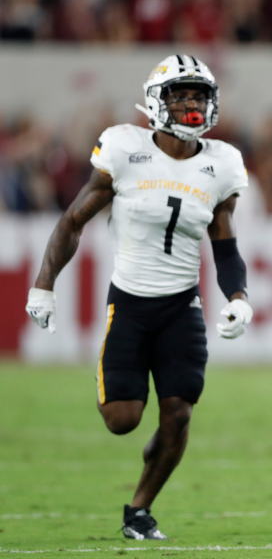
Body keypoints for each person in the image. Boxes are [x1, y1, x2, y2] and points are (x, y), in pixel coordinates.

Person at [24, 55, 252, 541]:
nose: (191, 104)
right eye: (181, 94)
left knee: (179, 411)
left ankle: (141, 510)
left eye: (199, 95)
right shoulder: (124, 148)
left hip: (180, 305)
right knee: (122, 420)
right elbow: (72, 221)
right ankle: (154, 446)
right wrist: (44, 284)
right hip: (128, 301)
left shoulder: (222, 162)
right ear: (156, 100)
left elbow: (225, 242)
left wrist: (238, 295)